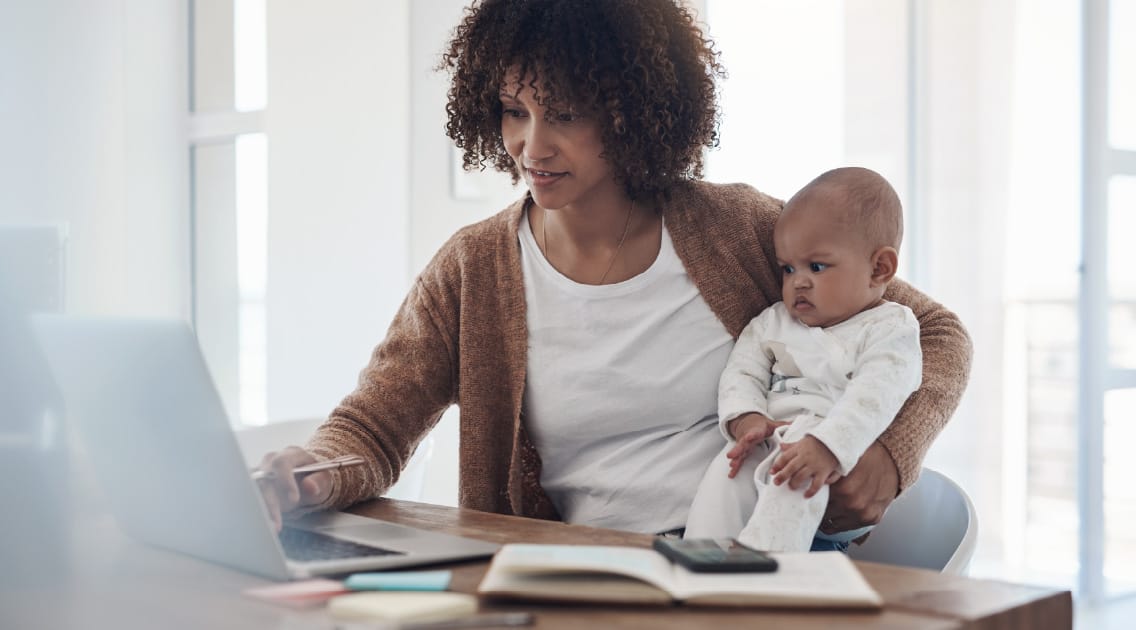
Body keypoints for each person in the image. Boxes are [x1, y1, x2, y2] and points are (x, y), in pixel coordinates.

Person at [256, 0, 972, 548]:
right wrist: (308, 472)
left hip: (737, 568)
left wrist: (888, 453)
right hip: (570, 580)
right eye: (514, 111)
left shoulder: (737, 230)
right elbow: (376, 426)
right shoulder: (473, 268)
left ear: (634, 111)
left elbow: (934, 332)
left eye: (564, 113)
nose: (531, 146)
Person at [684, 167, 922, 552]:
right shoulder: (774, 322)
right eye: (788, 268)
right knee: (728, 469)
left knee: (795, 467)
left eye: (817, 267)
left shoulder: (892, 328)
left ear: (879, 269)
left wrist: (827, 445)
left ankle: (768, 560)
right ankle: (700, 556)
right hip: (772, 440)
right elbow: (741, 372)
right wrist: (747, 418)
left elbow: (876, 397)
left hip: (835, 463)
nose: (798, 282)